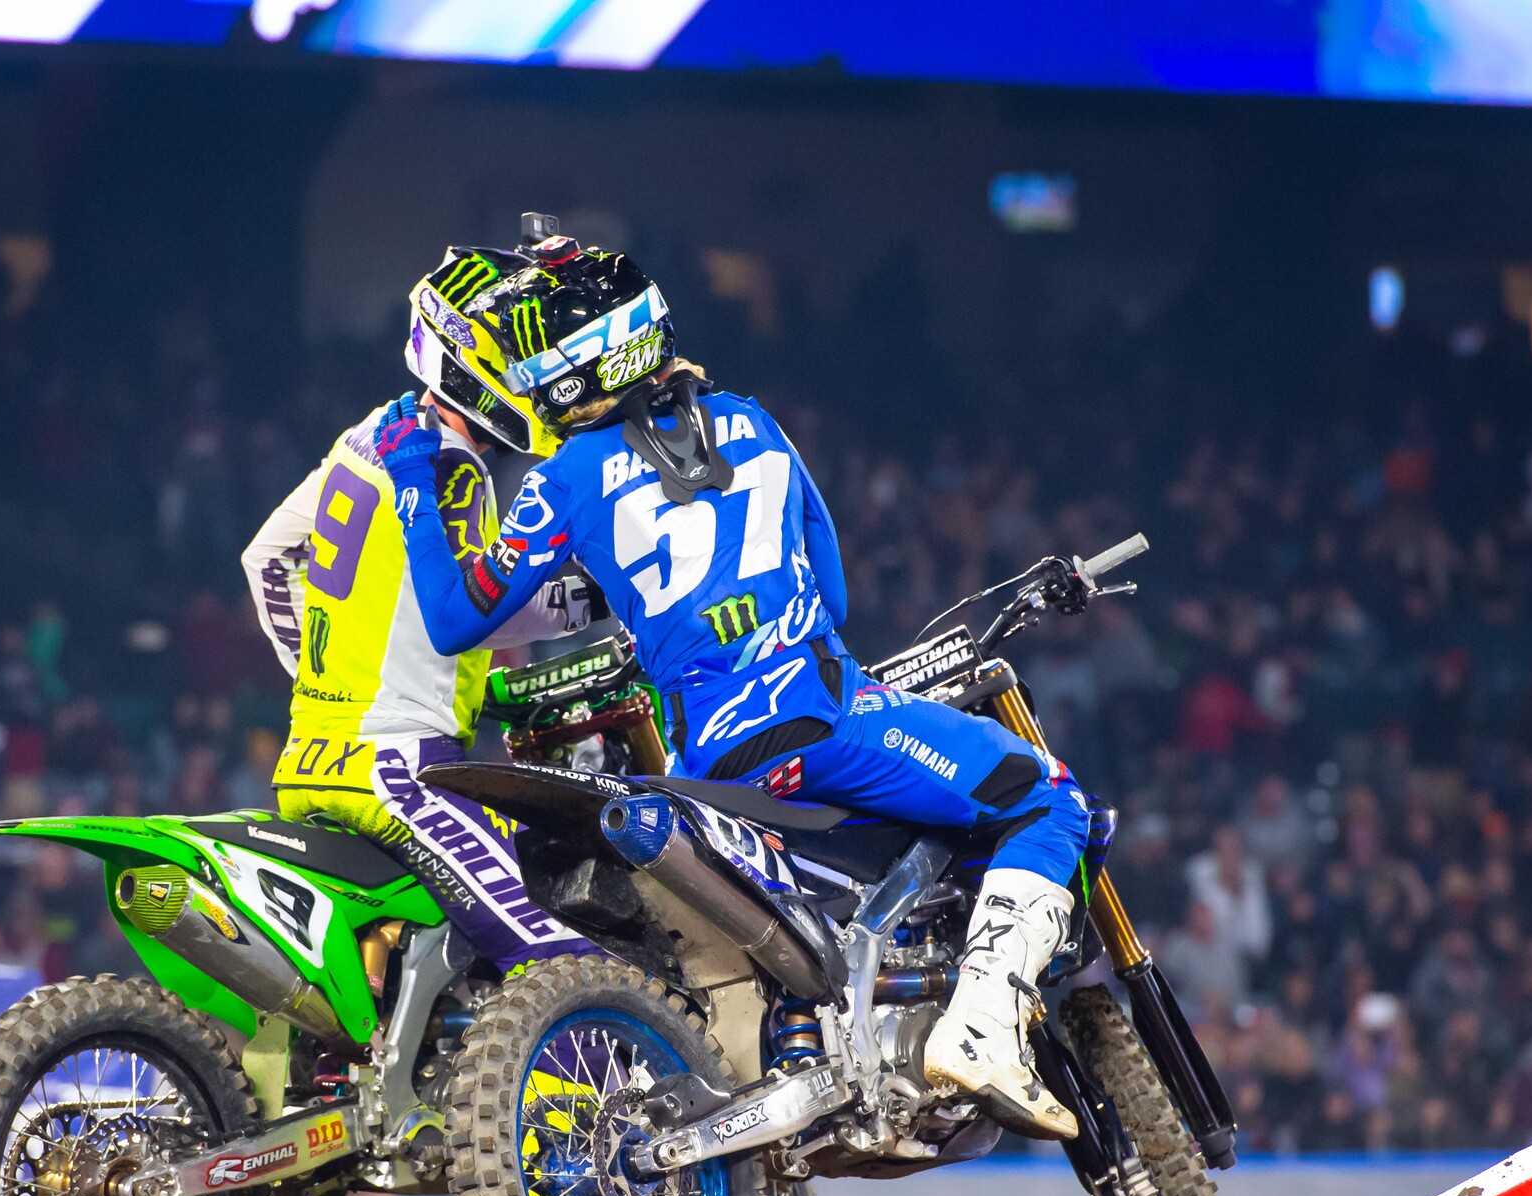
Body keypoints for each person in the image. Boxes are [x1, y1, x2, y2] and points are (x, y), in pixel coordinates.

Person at [376, 230, 1091, 1140]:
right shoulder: (756, 420)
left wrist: (412, 478)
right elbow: (831, 591)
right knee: (1051, 801)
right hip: (826, 721)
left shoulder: (564, 478)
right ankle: (985, 1029)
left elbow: (453, 615)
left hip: (708, 763)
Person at [238, 245, 604, 1196]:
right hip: (404, 765)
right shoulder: (452, 464)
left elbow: (268, 560)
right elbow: (484, 603)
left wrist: (327, 675)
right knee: (548, 957)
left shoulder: (367, 438)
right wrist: (597, 599)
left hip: (315, 757)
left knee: (341, 1002)